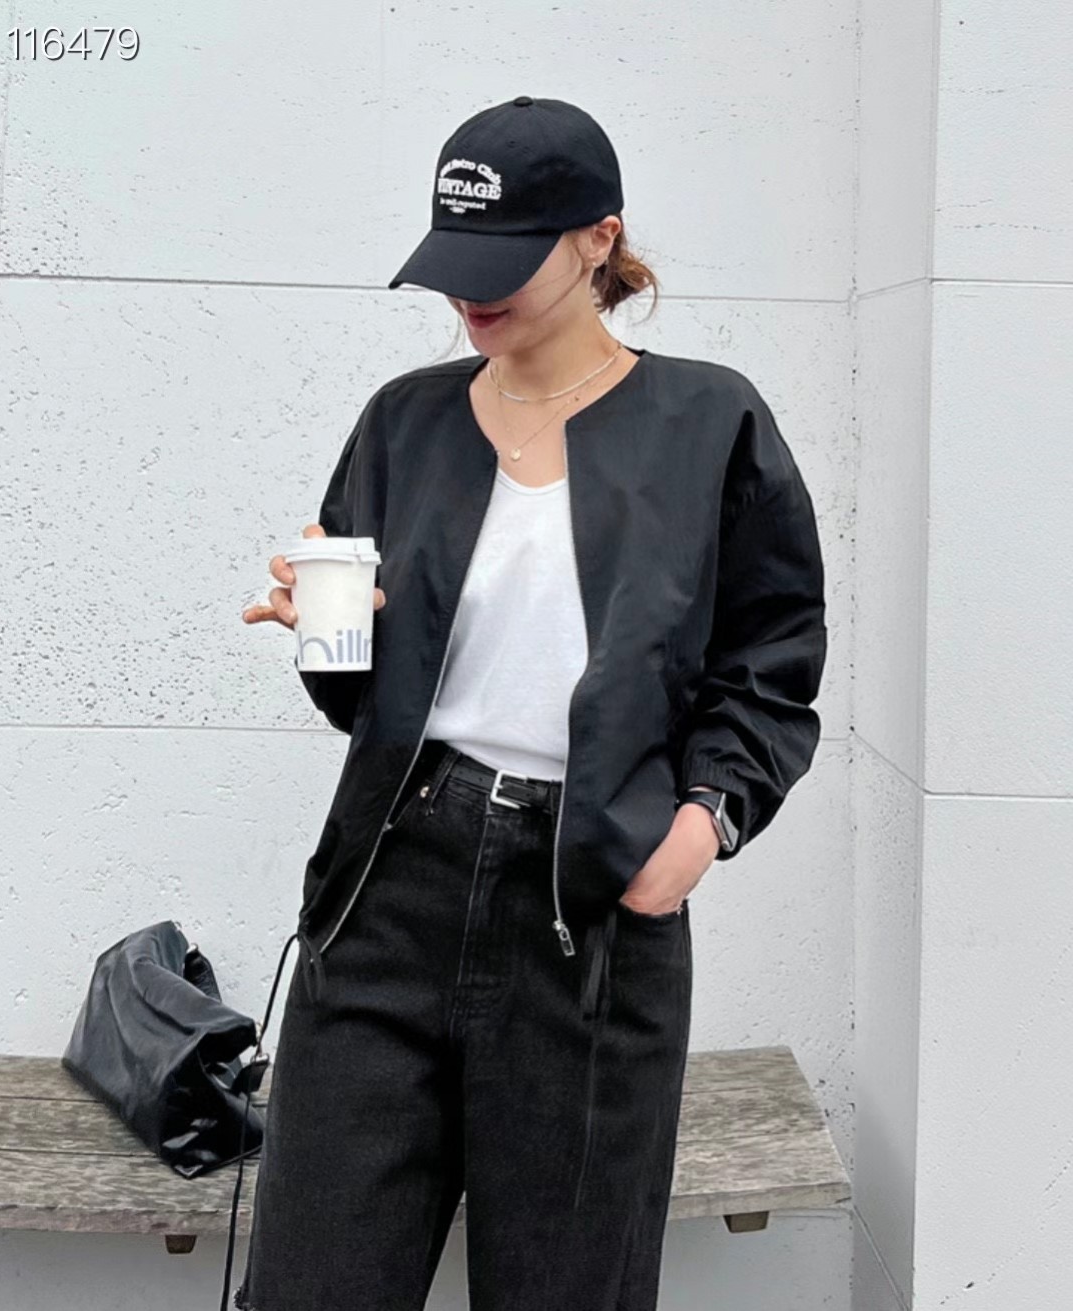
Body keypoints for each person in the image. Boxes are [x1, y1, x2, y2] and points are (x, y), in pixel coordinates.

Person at [230, 95, 827, 1311]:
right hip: (389, 891)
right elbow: (365, 706)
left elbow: (774, 657)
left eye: (503, 261)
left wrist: (702, 824)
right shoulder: (404, 421)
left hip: (589, 909)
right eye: (454, 261)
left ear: (599, 239)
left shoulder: (708, 421)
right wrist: (327, 635)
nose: (470, 293)